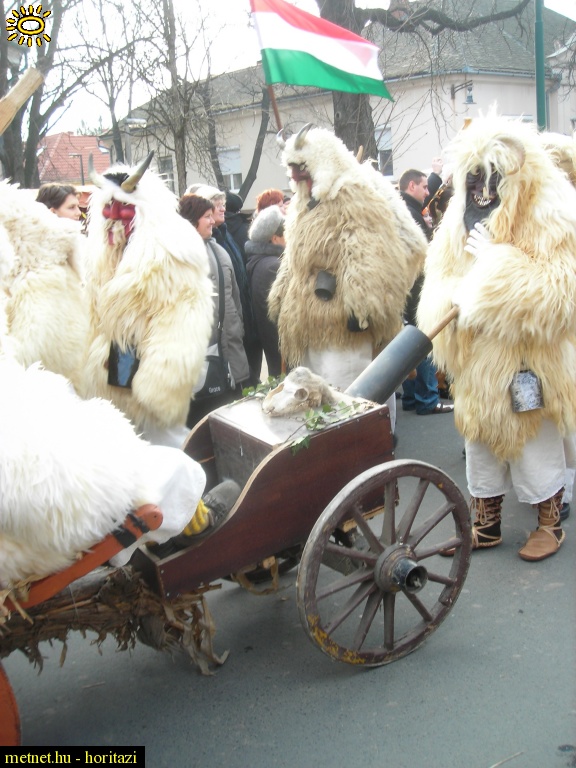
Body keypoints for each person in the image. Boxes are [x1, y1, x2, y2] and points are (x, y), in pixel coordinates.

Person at [418, 113, 576, 561]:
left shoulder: (550, 215)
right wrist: (454, 299)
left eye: (492, 180)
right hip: (478, 361)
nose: (483, 192)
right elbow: (439, 280)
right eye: (474, 179)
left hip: (529, 361)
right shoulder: (456, 222)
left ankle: (549, 525)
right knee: (481, 444)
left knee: (535, 445)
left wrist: (496, 264)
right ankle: (485, 524)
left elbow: (561, 292)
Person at [179, 194, 250, 429]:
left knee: (229, 421)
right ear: (191, 221)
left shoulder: (217, 248)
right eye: (206, 216)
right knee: (201, 426)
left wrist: (238, 328)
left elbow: (234, 297)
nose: (212, 221)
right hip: (203, 356)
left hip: (229, 348)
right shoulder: (181, 255)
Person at [187, 183, 261, 384]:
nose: (221, 210)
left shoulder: (221, 240)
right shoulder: (197, 250)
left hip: (235, 329)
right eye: (215, 206)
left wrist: (240, 324)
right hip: (215, 340)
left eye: (222, 205)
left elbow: (234, 287)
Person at [399, 168, 454, 416]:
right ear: (412, 186)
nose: (427, 192)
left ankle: (412, 396)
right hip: (417, 288)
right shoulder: (410, 214)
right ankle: (427, 398)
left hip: (407, 288)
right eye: (424, 187)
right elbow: (424, 253)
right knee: (423, 339)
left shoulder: (404, 210)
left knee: (409, 341)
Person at [245, 205, 285, 378]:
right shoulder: (273, 266)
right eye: (285, 233)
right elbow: (274, 318)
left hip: (274, 347)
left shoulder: (260, 261)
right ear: (274, 238)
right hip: (282, 350)